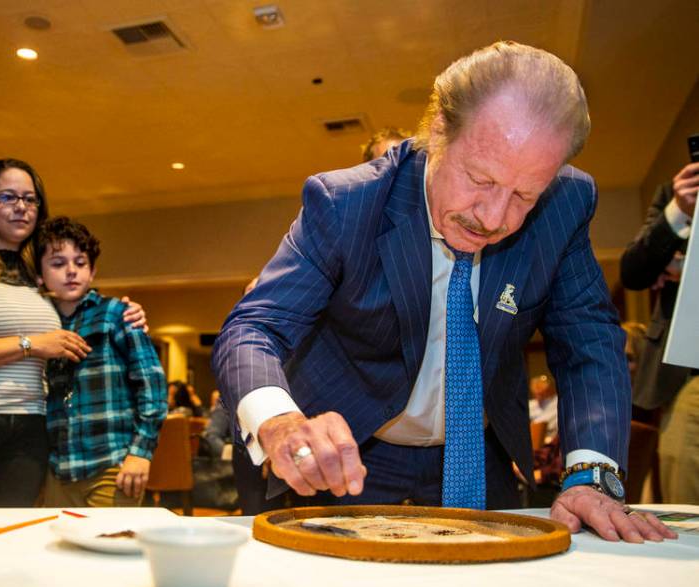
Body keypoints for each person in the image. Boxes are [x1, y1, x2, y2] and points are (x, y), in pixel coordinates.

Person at [212, 41, 674, 543]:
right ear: (437, 133)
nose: (494, 219)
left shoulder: (567, 204)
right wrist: (280, 422)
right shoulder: (346, 203)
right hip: (355, 453)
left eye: (524, 195)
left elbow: (589, 341)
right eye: (479, 179)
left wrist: (591, 475)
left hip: (480, 453)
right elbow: (254, 326)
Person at [0, 161, 147, 508]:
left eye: (30, 199)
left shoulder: (42, 270)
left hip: (31, 428)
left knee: (13, 538)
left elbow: (83, 312)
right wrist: (31, 345)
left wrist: (126, 312)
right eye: (8, 197)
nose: (21, 207)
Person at [37, 217, 167, 507]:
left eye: (80, 263)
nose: (71, 271)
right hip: (59, 468)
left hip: (112, 463)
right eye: (58, 264)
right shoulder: (39, 322)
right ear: (40, 274)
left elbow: (152, 384)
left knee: (110, 544)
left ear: (92, 270)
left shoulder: (115, 314)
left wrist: (140, 452)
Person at [621, 159, 699, 503]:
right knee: (684, 482)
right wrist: (679, 211)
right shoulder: (674, 192)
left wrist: (688, 267)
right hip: (690, 373)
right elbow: (634, 271)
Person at [528, 375, 558, 445]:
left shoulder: (556, 402)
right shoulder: (531, 404)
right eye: (536, 394)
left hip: (551, 441)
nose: (538, 396)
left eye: (541, 393)